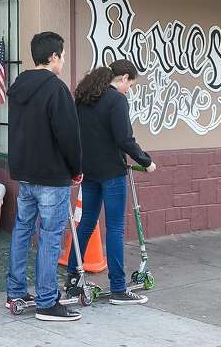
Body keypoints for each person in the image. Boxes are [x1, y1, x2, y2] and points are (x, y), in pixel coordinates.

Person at [5, 32, 83, 322]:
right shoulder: (56, 89)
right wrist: (76, 168)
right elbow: (69, 136)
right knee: (50, 237)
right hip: (52, 175)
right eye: (62, 55)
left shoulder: (18, 86)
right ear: (53, 57)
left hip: (25, 174)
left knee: (22, 231)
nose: (62, 61)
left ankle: (15, 292)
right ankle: (48, 301)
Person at [66, 59, 155, 305]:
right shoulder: (116, 100)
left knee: (86, 224)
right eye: (131, 84)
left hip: (89, 171)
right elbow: (124, 139)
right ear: (124, 78)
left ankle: (73, 278)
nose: (130, 89)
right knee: (115, 227)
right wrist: (146, 161)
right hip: (112, 172)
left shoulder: (85, 97)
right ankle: (118, 288)